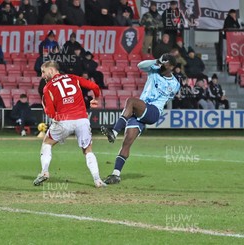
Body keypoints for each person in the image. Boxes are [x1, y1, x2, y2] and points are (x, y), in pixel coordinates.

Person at [101, 54, 180, 185]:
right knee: (127, 142)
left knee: (131, 101)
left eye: (165, 62)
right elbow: (140, 65)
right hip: (142, 111)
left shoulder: (175, 84)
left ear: (171, 66)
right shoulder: (154, 70)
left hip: (153, 111)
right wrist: (156, 60)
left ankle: (114, 132)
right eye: (162, 61)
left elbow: (167, 98)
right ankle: (116, 174)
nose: (162, 64)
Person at [33, 60, 104, 188]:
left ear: (51, 70)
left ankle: (44, 172)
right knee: (88, 150)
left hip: (64, 120)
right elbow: (95, 87)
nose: (42, 76)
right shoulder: (73, 78)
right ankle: (97, 180)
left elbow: (49, 111)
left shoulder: (47, 87)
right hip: (82, 119)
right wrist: (96, 99)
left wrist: (54, 115)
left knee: (47, 143)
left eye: (43, 72)